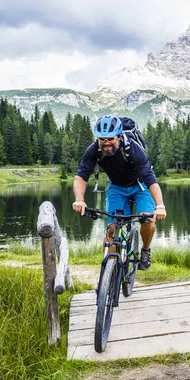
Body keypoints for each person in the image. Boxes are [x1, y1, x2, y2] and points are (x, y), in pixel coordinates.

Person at [72, 115, 166, 270]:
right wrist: (80, 199)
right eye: (102, 139)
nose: (106, 142)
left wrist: (160, 205)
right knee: (112, 227)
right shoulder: (94, 150)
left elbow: (150, 179)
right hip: (116, 187)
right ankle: (107, 273)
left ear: (119, 136)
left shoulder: (132, 149)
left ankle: (145, 250)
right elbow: (81, 176)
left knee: (148, 220)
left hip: (140, 186)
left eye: (110, 138)